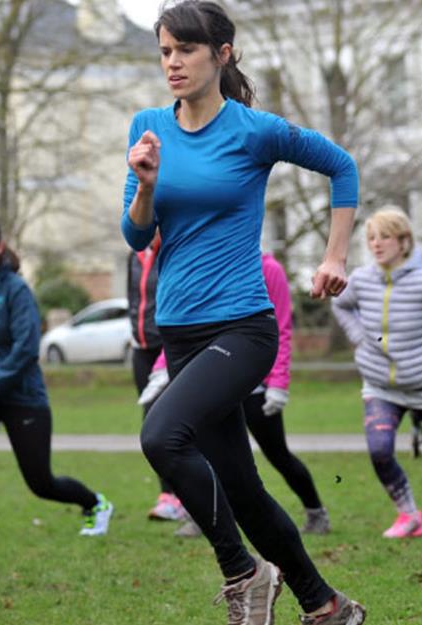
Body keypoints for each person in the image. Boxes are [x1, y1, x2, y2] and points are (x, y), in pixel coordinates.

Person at [122, 2, 365, 623]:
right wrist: (146, 182)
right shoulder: (148, 127)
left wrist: (335, 255)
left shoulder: (253, 130)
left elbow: (342, 165)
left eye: (185, 50)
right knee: (241, 486)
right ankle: (326, 604)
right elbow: (134, 234)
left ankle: (245, 572)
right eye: (165, 51)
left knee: (160, 435)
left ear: (221, 54)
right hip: (178, 328)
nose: (172, 63)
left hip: (241, 325)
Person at [0, 217, 114, 540]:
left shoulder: (16, 290)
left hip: (21, 394)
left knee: (41, 483)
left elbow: (26, 351)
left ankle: (95, 503)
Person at [330, 209, 422, 539]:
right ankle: (410, 515)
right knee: (380, 451)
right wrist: (358, 337)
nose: (376, 244)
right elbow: (340, 304)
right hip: (379, 386)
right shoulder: (360, 280)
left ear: (404, 241)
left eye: (384, 236)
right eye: (371, 237)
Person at [153, 252, 329, 537]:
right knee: (206, 455)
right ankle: (203, 518)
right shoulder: (206, 262)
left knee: (277, 453)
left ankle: (315, 511)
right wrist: (162, 367)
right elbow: (187, 326)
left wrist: (278, 383)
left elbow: (282, 328)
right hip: (214, 381)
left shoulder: (269, 269)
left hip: (256, 385)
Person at [129, 233, 186, 522]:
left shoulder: (176, 249)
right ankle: (168, 496)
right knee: (150, 422)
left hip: (169, 346)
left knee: (171, 422)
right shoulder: (136, 254)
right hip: (142, 350)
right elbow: (134, 298)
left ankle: (185, 495)